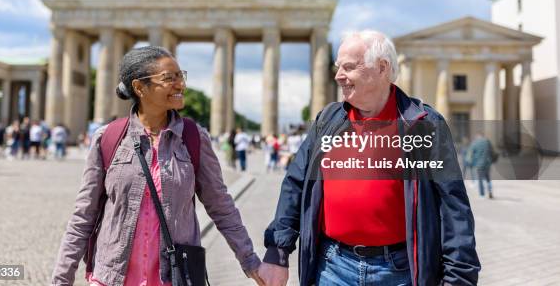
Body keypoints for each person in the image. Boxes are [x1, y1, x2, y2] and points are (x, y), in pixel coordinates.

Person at [259, 30, 480, 286]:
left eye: (349, 67)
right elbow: (295, 184)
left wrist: (459, 279)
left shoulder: (423, 124)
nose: (338, 76)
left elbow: (454, 210)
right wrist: (278, 252)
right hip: (331, 268)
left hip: (399, 272)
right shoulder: (327, 120)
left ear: (382, 68)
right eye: (338, 66)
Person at [52, 46, 264, 286]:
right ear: (139, 87)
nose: (180, 84)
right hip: (112, 277)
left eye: (180, 76)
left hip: (174, 277)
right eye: (169, 78)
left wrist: (250, 261)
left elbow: (221, 207)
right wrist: (61, 281)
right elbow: (83, 217)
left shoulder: (194, 139)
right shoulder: (108, 138)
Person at [468, 133, 494, 199]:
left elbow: (470, 153)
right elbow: (492, 152)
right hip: (487, 163)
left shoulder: (475, 143)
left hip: (479, 164)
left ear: (477, 137)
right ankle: (490, 191)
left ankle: (482, 195)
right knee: (488, 178)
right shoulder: (487, 142)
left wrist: (470, 162)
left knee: (480, 179)